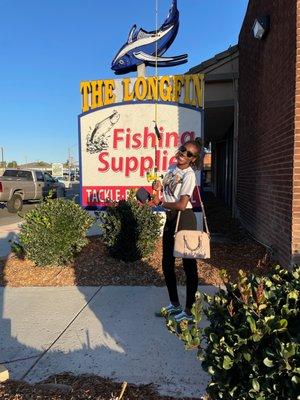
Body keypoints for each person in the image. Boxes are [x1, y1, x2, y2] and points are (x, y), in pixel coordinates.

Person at [152, 138, 202, 323]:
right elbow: (164, 189)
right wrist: (158, 187)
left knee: (189, 266)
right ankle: (175, 304)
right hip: (171, 219)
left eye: (189, 154)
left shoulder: (189, 175)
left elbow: (181, 204)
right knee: (167, 263)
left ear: (193, 159)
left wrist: (160, 202)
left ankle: (189, 312)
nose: (183, 154)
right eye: (183, 150)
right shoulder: (171, 169)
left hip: (185, 219)